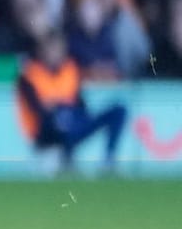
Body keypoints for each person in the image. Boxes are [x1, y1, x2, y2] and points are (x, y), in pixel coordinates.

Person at [14, 31, 128, 174]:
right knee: (59, 117)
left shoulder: (71, 69)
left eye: (58, 49)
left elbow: (80, 104)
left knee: (119, 110)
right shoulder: (29, 75)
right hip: (46, 134)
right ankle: (65, 160)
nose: (54, 53)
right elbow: (38, 111)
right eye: (51, 49)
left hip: (72, 125)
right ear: (41, 51)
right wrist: (59, 109)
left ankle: (108, 160)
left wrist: (66, 109)